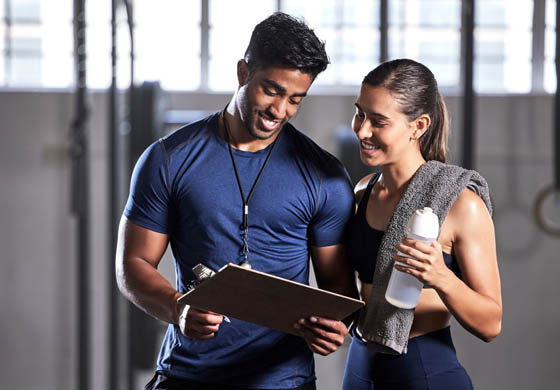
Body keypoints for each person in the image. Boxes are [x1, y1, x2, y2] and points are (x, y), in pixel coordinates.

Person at [116, 12, 359, 390]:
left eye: (296, 99)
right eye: (272, 91)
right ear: (243, 72)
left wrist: (333, 327)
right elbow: (133, 264)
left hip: (283, 381)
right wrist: (178, 308)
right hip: (187, 376)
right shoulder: (168, 159)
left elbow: (338, 292)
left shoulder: (324, 176)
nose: (280, 111)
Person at [342, 59, 502, 389]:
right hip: (360, 364)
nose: (361, 130)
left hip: (423, 368)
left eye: (378, 121)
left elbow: (491, 322)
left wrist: (440, 275)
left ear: (418, 126)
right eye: (360, 114)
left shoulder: (461, 205)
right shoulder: (363, 192)